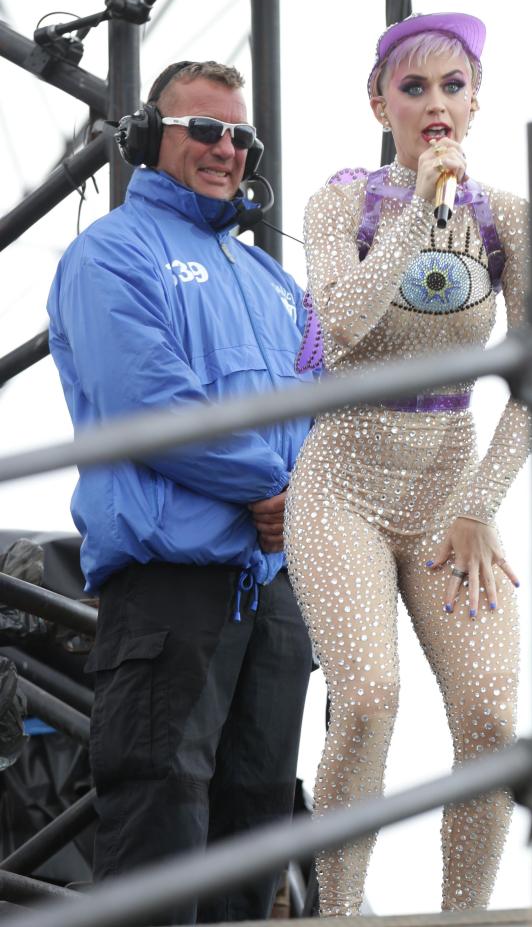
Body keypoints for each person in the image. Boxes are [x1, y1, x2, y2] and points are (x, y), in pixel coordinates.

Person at [46, 61, 315, 925]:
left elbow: (330, 416)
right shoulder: (109, 254)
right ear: (143, 139)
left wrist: (302, 501)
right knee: (160, 820)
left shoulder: (277, 284)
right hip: (171, 586)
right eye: (203, 128)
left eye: (241, 136)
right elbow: (148, 399)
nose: (225, 149)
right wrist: (276, 488)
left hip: (274, 591)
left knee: (256, 823)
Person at [285, 13, 531, 914]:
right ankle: (341, 911)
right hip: (343, 481)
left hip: (449, 492)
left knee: (493, 718)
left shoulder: (508, 217)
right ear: (379, 101)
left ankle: (463, 914)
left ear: (475, 99)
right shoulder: (340, 202)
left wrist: (479, 502)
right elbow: (344, 323)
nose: (435, 105)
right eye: (414, 87)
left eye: (452, 86)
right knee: (365, 702)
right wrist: (419, 209)